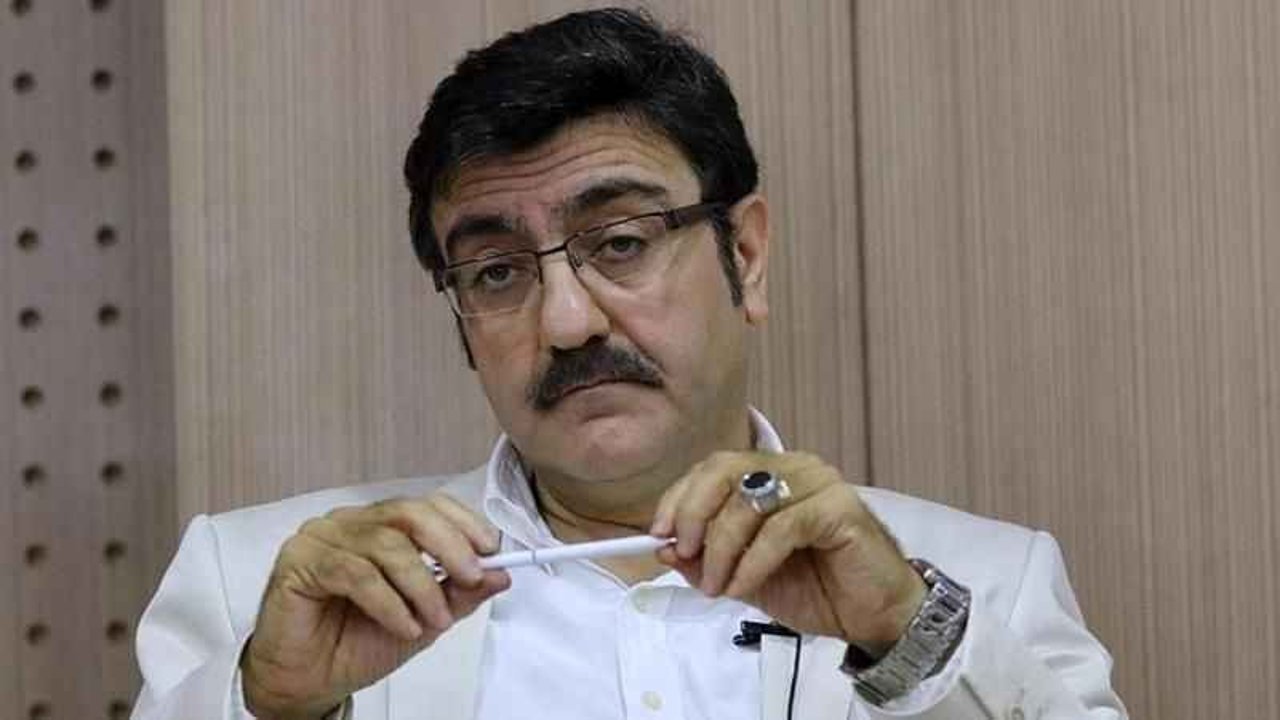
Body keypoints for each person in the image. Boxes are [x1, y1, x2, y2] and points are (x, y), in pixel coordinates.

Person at [131, 8, 1126, 720]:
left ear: (745, 255)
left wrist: (910, 639)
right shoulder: (262, 589)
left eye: (619, 242)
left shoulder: (976, 586)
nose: (566, 321)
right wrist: (272, 705)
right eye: (496, 270)